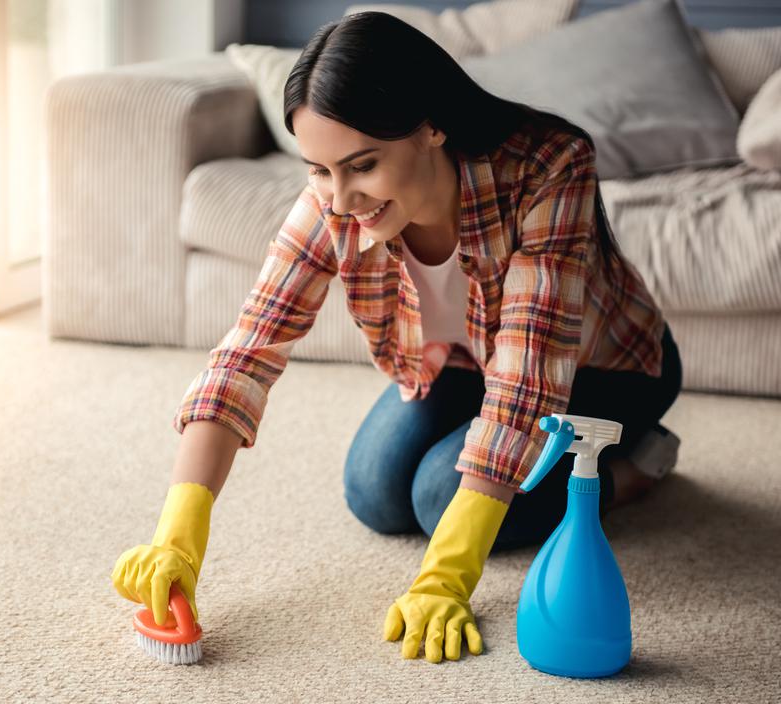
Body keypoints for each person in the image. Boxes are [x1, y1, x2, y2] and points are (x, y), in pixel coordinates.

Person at [111, 11, 683, 665]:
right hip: (465, 363)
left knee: (442, 498)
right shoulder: (332, 202)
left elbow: (528, 379)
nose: (341, 199)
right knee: (376, 492)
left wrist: (446, 579)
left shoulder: (549, 167)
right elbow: (250, 347)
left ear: (430, 126)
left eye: (362, 165)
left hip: (604, 369)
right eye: (320, 170)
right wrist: (178, 533)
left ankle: (631, 468)